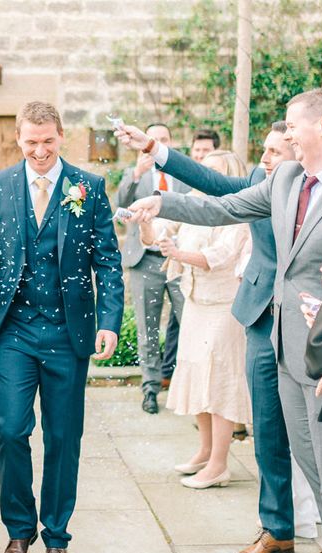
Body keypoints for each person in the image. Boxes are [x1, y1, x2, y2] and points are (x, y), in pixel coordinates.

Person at [128, 88, 322, 553]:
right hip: (282, 341)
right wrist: (162, 202)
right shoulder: (288, 181)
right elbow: (221, 205)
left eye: (293, 126)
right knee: (311, 461)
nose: (285, 137)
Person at [0, 101, 124, 553]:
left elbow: (107, 261)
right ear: (18, 138)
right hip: (15, 333)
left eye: (48, 141)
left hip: (69, 334)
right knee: (10, 430)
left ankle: (57, 538)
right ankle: (18, 533)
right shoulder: (0, 185)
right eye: (31, 142)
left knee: (64, 439)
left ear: (61, 136)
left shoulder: (88, 187)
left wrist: (109, 321)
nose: (40, 150)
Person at [140, 151, 252, 489]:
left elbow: (219, 257)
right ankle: (204, 452)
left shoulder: (239, 210)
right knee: (197, 376)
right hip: (195, 301)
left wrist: (177, 253)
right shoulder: (193, 204)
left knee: (220, 382)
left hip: (224, 306)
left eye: (214, 172)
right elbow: (155, 234)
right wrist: (146, 220)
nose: (206, 178)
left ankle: (220, 465)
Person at [117, 122, 190, 414]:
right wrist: (136, 173)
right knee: (147, 327)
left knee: (188, 322)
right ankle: (149, 389)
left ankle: (181, 383)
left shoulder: (182, 175)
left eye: (164, 139)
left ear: (170, 143)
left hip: (178, 258)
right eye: (153, 138)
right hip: (144, 259)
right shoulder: (134, 175)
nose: (158, 142)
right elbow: (119, 205)